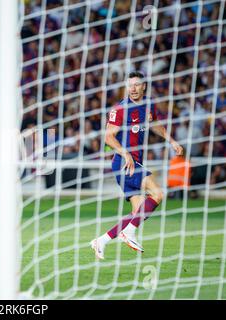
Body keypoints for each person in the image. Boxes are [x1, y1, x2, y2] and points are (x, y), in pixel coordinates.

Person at [90, 71, 184, 259]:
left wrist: (171, 141)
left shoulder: (148, 104)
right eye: (130, 85)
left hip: (135, 161)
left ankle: (102, 241)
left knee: (137, 212)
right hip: (125, 163)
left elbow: (155, 124)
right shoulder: (120, 109)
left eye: (137, 85)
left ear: (144, 86)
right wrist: (125, 154)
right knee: (158, 194)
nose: (133, 89)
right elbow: (108, 137)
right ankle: (129, 233)